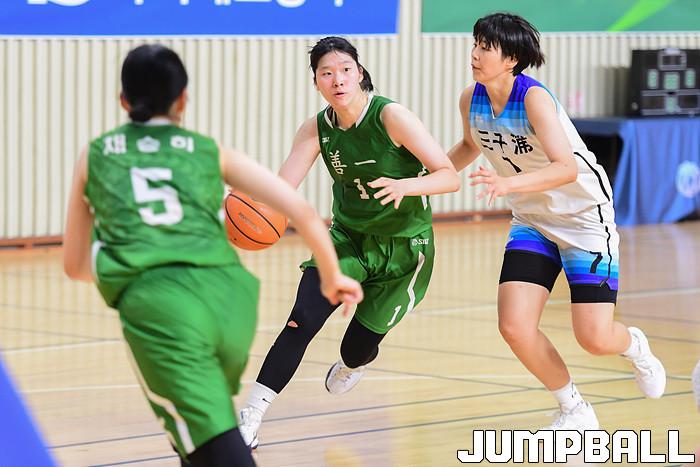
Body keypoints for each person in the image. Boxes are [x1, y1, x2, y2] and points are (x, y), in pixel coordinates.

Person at [62, 44, 363, 467]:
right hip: (230, 301)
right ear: (183, 99)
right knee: (196, 437)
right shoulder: (207, 149)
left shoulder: (95, 155)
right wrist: (331, 274)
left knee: (212, 442)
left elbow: (75, 266)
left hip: (162, 311)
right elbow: (302, 211)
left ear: (123, 100)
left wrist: (126, 260)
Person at [237, 36, 460, 448]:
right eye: (326, 73)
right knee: (301, 320)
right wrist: (247, 201)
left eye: (344, 70)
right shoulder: (316, 128)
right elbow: (283, 188)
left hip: (404, 251)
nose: (337, 79)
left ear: (359, 73)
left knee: (356, 348)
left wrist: (406, 185)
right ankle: (251, 416)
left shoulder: (391, 116)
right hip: (346, 240)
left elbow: (449, 175)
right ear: (316, 82)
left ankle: (353, 363)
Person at [447, 13, 666, 430]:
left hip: (583, 218)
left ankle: (635, 346)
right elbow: (468, 145)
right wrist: (423, 178)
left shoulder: (533, 99)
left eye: (485, 48)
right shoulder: (470, 99)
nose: (474, 54)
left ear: (511, 59)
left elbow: (566, 168)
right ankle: (574, 409)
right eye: (475, 44)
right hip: (532, 220)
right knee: (514, 326)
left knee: (594, 338)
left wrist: (508, 184)